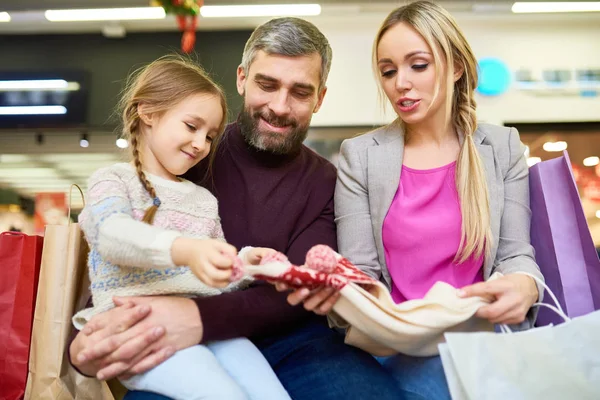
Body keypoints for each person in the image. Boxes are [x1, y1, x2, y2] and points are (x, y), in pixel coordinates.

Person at [69, 18, 401, 400]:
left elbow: (295, 293)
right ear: (242, 78)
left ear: (320, 98)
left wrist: (196, 318)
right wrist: (83, 345)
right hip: (171, 335)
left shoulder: (326, 182)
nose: (279, 106)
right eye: (267, 84)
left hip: (294, 342)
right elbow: (118, 255)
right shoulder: (186, 154)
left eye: (300, 92)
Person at [334, 1, 544, 399]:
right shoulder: (359, 156)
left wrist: (526, 285)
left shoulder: (502, 146)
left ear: (456, 67)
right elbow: (361, 272)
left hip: (482, 342)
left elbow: (516, 253)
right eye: (388, 70)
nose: (401, 83)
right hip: (396, 348)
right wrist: (342, 296)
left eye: (418, 65)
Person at [73, 56, 292, 400]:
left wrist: (248, 263)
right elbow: (111, 235)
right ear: (147, 112)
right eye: (192, 127)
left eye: (210, 136)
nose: (200, 144)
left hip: (204, 322)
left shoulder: (202, 199)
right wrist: (184, 250)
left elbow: (217, 274)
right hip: (137, 328)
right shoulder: (112, 180)